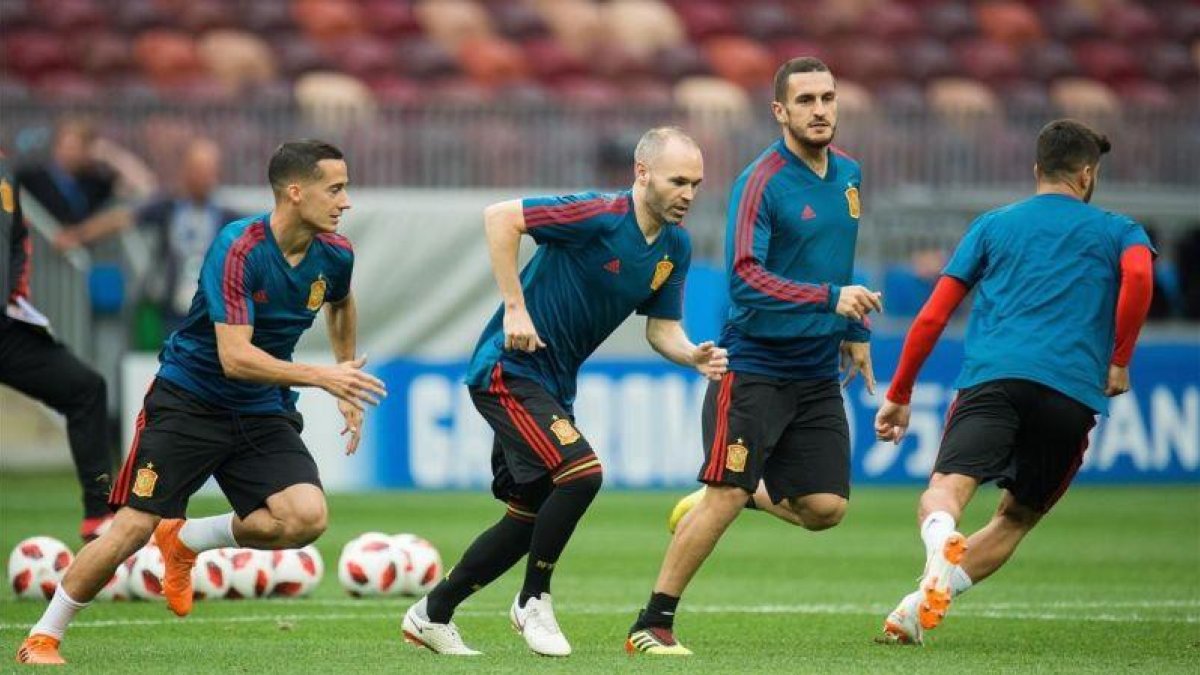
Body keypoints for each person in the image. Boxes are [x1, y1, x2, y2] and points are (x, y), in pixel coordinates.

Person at [15, 140, 388, 665]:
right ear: (295, 191)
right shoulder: (238, 248)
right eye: (336, 188)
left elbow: (342, 303)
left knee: (305, 518)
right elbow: (235, 357)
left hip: (260, 408)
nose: (345, 201)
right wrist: (323, 377)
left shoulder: (336, 253)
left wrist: (346, 376)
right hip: (190, 401)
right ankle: (43, 635)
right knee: (130, 529)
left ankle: (187, 539)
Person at [401, 127, 724, 658]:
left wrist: (692, 355)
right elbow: (501, 217)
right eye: (678, 180)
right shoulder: (596, 213)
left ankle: (430, 615)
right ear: (642, 174)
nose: (689, 193)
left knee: (526, 516)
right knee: (581, 473)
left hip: (553, 383)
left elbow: (661, 329)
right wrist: (514, 306)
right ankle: (534, 599)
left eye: (696, 183)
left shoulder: (675, 248)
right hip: (508, 369)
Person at [625, 57, 883, 656]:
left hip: (817, 370)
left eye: (828, 97)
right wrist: (830, 298)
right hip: (756, 367)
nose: (820, 110)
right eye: (806, 101)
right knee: (725, 496)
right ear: (780, 112)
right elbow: (744, 278)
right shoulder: (761, 181)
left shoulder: (849, 175)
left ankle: (741, 490)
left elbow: (836, 264)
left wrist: (856, 328)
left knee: (826, 509)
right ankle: (652, 624)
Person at [873, 119, 1155, 645]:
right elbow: (1140, 276)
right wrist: (1120, 359)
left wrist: (900, 394)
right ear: (1088, 175)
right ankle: (914, 609)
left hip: (993, 380)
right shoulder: (1120, 229)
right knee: (1017, 517)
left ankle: (940, 543)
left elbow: (934, 315)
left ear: (1036, 170)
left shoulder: (993, 225)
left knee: (946, 490)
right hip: (1070, 392)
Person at [0, 149, 114, 542]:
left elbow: (17, 240)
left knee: (85, 388)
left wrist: (12, 292)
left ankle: (100, 518)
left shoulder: (4, 169)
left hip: (5, 325)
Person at [53, 137, 242, 333]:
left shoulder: (227, 217)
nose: (203, 177)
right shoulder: (168, 207)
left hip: (213, 309)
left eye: (208, 170)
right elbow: (121, 219)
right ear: (186, 171)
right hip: (173, 309)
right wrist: (78, 235)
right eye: (198, 170)